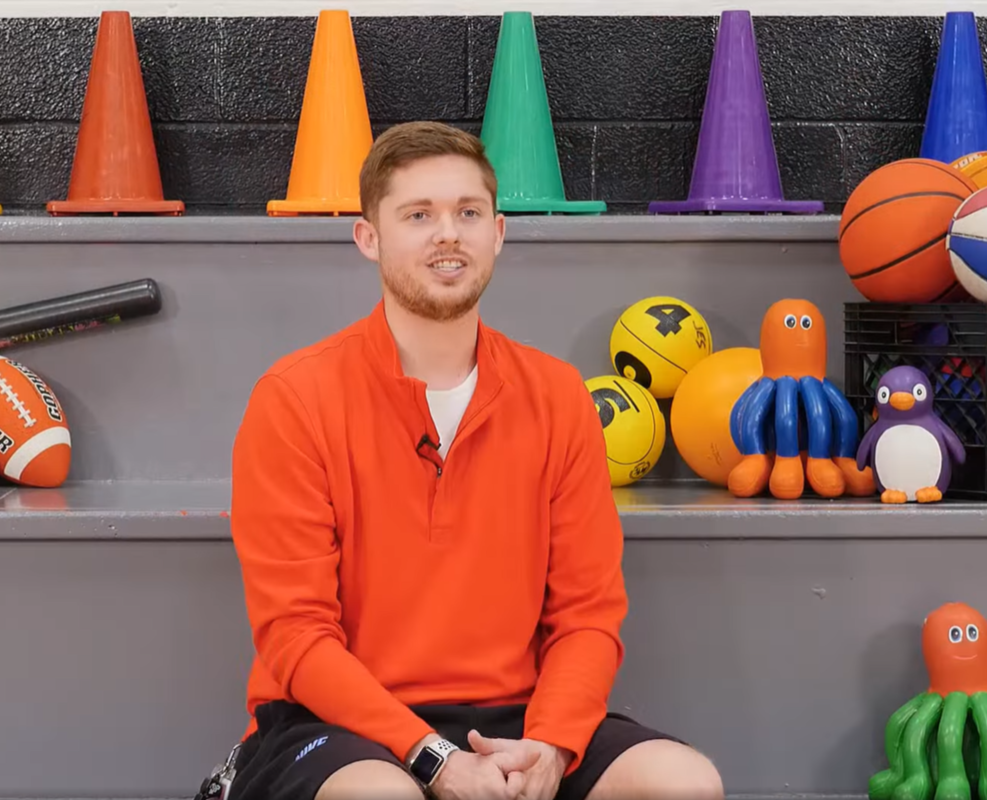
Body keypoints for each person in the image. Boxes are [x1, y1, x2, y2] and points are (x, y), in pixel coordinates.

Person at [223, 120, 724, 800]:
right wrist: (433, 761)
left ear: (498, 233)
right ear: (368, 238)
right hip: (342, 726)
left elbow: (586, 614)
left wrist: (550, 747)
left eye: (468, 212)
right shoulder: (293, 398)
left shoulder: (556, 396)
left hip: (516, 718)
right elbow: (295, 636)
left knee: (683, 783)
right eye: (418, 214)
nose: (448, 234)